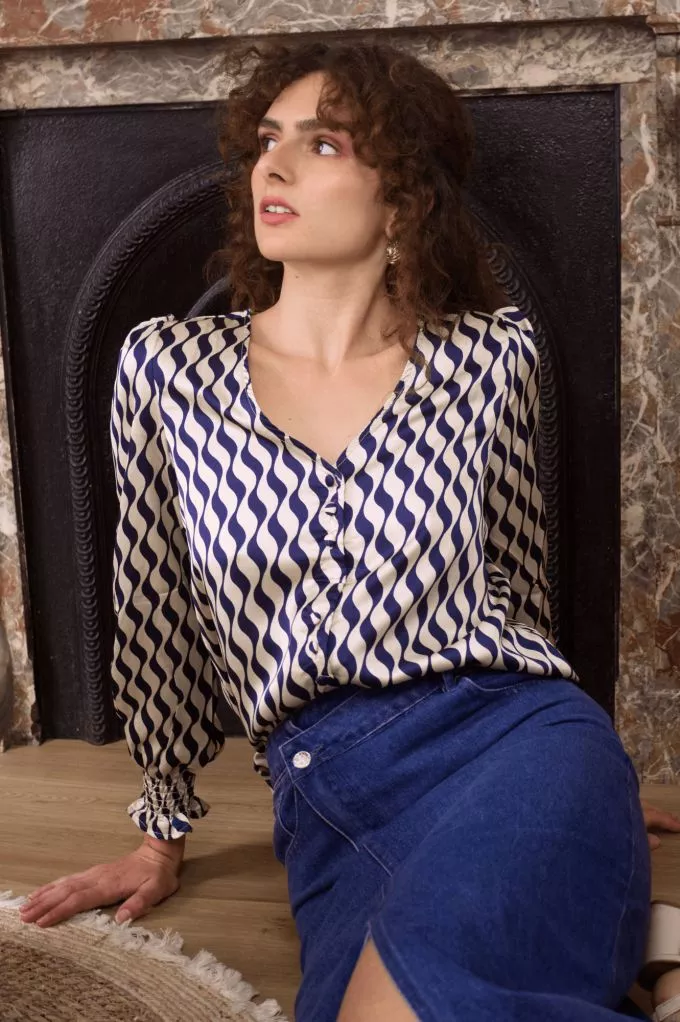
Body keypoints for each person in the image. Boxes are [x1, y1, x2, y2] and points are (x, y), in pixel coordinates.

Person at [17, 38, 680, 1022]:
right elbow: (152, 606)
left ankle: (593, 894)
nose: (272, 167)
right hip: (325, 780)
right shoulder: (167, 367)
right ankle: (644, 951)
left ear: (403, 199)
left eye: (321, 144)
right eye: (266, 140)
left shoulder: (489, 357)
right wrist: (161, 830)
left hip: (512, 729)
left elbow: (514, 577)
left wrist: (587, 779)